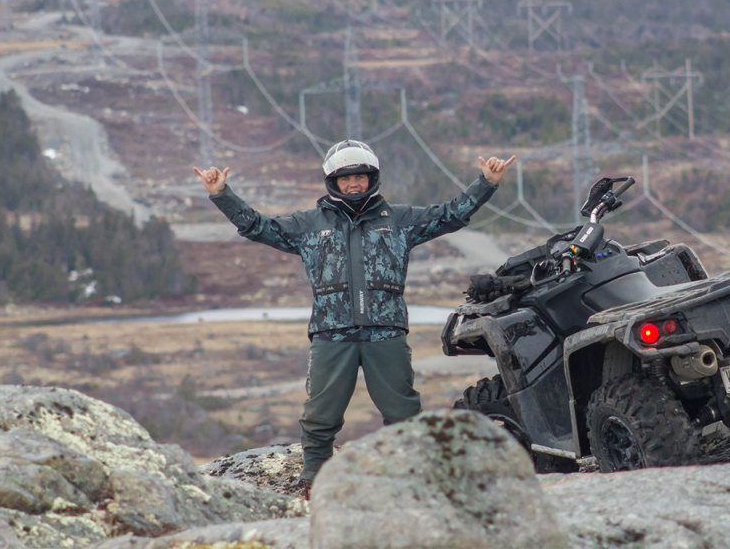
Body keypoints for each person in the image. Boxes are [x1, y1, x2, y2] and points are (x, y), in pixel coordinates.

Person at [194, 139, 513, 490]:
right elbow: (257, 227)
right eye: (346, 179)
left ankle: (409, 478)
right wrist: (221, 193)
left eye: (360, 176)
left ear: (372, 177)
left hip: (386, 335)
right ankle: (313, 482)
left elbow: (451, 214)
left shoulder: (400, 219)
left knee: (403, 414)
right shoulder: (308, 224)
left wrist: (486, 183)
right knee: (320, 418)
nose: (354, 184)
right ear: (332, 180)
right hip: (331, 336)